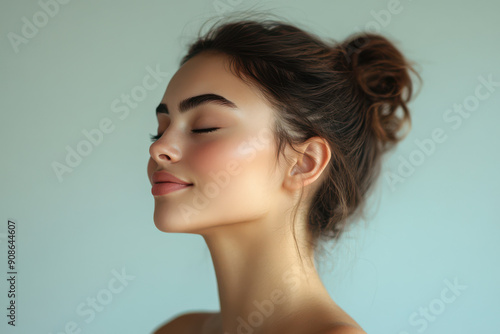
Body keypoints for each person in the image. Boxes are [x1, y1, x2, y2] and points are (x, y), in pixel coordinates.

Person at [148, 12, 421, 334]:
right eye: (160, 129)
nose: (159, 148)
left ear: (304, 162)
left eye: (205, 127)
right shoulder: (178, 330)